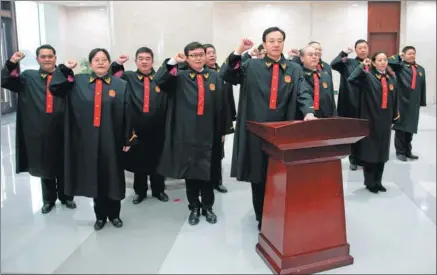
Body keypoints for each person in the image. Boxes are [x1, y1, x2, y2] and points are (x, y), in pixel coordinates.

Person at [220, 27, 316, 231]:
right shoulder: (251, 66)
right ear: (264, 43)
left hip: (283, 132)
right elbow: (227, 74)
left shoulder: (294, 68)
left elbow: (303, 92)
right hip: (256, 130)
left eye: (279, 40)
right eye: (271, 41)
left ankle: (280, 213)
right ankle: (261, 216)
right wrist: (239, 50)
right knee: (259, 174)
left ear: (283, 43)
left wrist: (308, 111)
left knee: (281, 174)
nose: (275, 44)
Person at [49, 48, 135, 230]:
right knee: (95, 177)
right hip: (87, 140)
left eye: (104, 59)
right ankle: (100, 216)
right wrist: (65, 70)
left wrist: (127, 139)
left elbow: (128, 113)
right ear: (91, 63)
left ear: (109, 62)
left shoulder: (120, 85)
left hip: (112, 139)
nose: (101, 62)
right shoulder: (77, 81)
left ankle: (115, 214)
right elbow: (56, 88)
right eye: (97, 59)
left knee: (113, 176)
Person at [154, 42, 232, 226]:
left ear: (205, 56)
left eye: (200, 54)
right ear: (187, 58)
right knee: (191, 174)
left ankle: (208, 207)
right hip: (186, 134)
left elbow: (223, 106)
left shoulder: (215, 77)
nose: (198, 58)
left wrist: (223, 130)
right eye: (193, 55)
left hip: (210, 134)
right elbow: (159, 80)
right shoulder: (178, 77)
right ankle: (194, 207)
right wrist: (173, 61)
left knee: (209, 173)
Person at [1, 44, 76, 214]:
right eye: (43, 56)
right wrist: (12, 62)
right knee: (45, 165)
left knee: (64, 163)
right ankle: (49, 200)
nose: (47, 59)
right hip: (39, 129)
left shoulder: (65, 75)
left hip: (63, 128)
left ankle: (66, 197)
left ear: (55, 58)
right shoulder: (28, 77)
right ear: (37, 59)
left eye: (50, 56)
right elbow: (6, 80)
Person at [110, 47, 170, 203]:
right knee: (138, 162)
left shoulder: (160, 78)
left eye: (147, 58)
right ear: (136, 61)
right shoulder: (128, 77)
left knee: (158, 161)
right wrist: (117, 63)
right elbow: (112, 77)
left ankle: (159, 190)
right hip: (135, 128)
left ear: (152, 60)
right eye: (141, 58)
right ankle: (140, 192)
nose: (144, 61)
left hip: (158, 127)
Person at [348, 52, 399, 194]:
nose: (383, 62)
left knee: (382, 150)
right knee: (371, 150)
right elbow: (351, 79)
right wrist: (361, 66)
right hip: (371, 118)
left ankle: (379, 181)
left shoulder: (391, 78)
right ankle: (370, 182)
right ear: (374, 63)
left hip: (385, 120)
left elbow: (395, 99)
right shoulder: (368, 77)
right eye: (379, 60)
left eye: (385, 60)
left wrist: (395, 116)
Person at [330, 39, 370, 170]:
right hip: (351, 101)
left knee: (366, 133)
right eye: (360, 48)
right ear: (356, 50)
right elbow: (334, 64)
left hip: (368, 104)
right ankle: (353, 159)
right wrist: (343, 53)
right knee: (353, 133)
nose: (363, 50)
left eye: (365, 47)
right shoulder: (348, 62)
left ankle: (364, 158)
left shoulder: (372, 63)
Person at [204, 43, 236, 193]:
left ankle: (218, 182)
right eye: (208, 53)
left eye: (213, 52)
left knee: (218, 153)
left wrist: (230, 118)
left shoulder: (222, 72)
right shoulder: (200, 73)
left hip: (221, 118)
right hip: (205, 120)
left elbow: (228, 97)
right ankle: (206, 183)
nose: (212, 55)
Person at [388, 46, 427, 161]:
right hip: (401, 101)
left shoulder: (420, 69)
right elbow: (389, 60)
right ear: (404, 55)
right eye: (409, 53)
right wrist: (398, 56)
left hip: (413, 103)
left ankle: (408, 151)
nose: (412, 55)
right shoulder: (399, 67)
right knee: (401, 127)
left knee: (411, 127)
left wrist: (422, 101)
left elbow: (422, 86)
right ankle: (400, 152)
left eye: (413, 53)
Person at [298, 45, 337, 118]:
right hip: (305, 117)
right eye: (310, 55)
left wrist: (334, 116)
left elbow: (331, 99)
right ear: (302, 58)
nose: (314, 57)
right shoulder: (298, 75)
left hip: (325, 117)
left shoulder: (326, 76)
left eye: (316, 54)